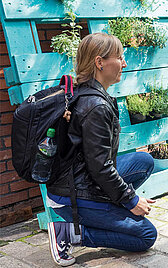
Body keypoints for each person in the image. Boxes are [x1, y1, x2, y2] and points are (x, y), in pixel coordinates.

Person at [46, 33, 157, 266]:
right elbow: (101, 168)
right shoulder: (95, 106)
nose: (124, 63)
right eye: (120, 57)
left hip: (78, 178)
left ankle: (107, 209)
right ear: (100, 62)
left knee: (144, 161)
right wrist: (130, 199)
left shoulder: (85, 91)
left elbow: (96, 162)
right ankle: (68, 233)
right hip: (72, 194)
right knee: (146, 235)